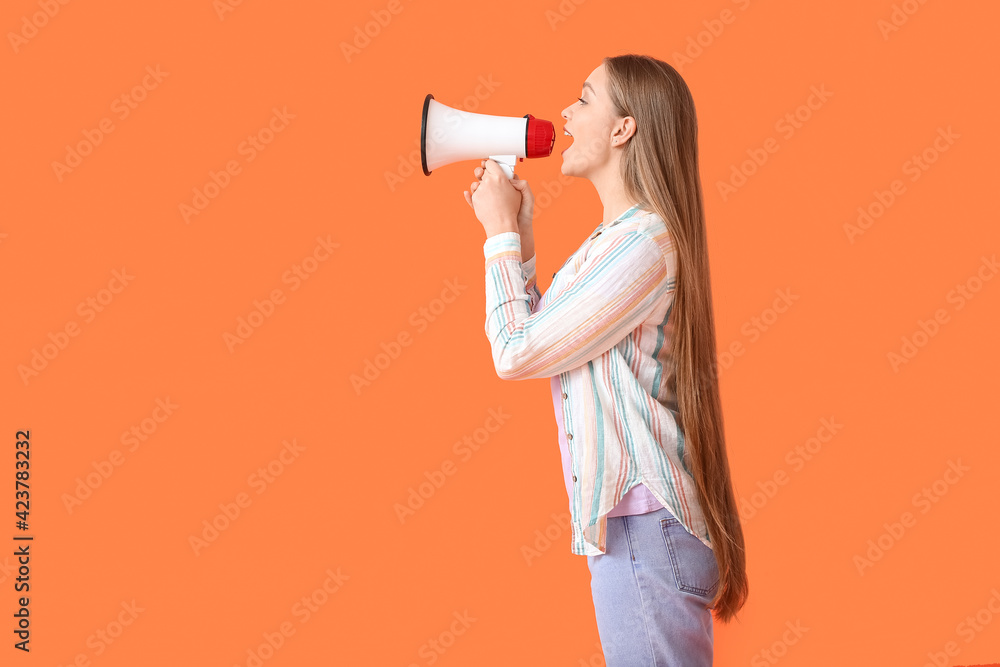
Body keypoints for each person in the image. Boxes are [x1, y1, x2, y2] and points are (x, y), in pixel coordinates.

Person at [464, 53, 748, 665]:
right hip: (634, 527)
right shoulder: (613, 241)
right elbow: (548, 339)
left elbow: (516, 353)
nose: (565, 113)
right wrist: (525, 246)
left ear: (624, 129)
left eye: (585, 98)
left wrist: (498, 236)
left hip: (645, 526)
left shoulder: (643, 244)